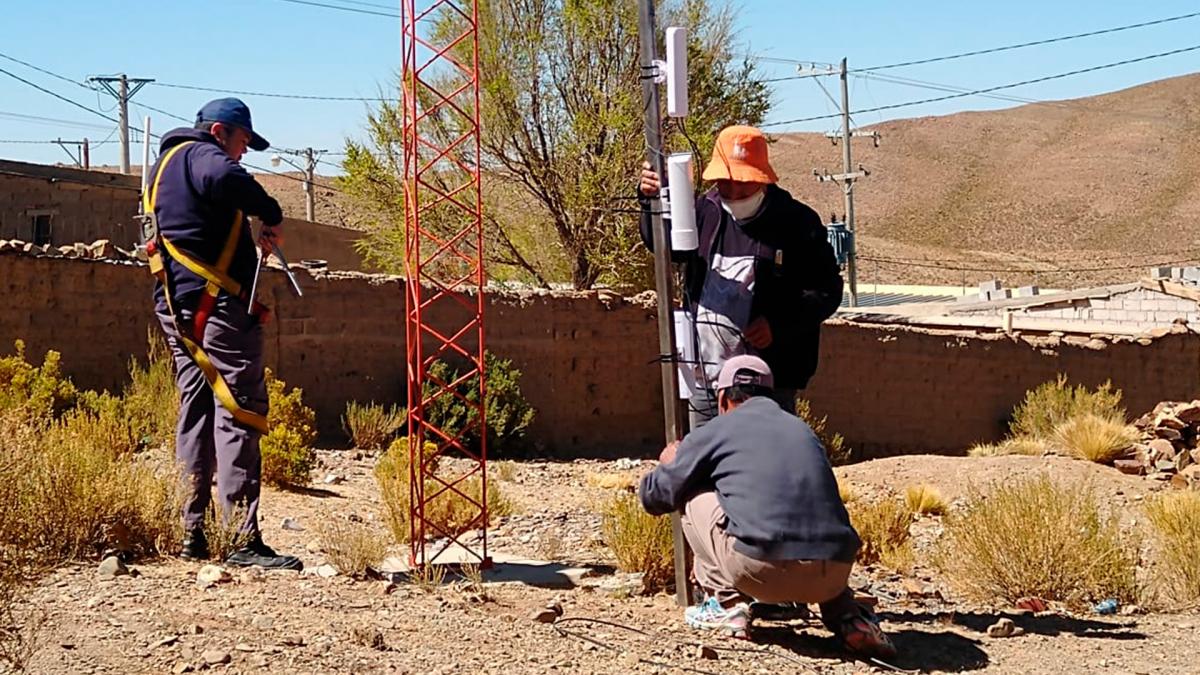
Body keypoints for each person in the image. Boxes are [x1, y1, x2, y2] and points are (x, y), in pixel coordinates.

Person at [638, 355, 894, 658]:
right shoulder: (802, 430)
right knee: (806, 511)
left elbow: (656, 497)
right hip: (835, 574)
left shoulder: (717, 429)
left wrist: (671, 464)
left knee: (690, 493)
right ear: (770, 396)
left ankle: (726, 606)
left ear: (722, 399)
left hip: (762, 572)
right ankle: (848, 617)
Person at [144, 98, 301, 570]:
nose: (244, 153)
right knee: (241, 409)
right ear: (219, 131)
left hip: (178, 307)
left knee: (195, 408)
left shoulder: (163, 167)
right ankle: (240, 540)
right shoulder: (200, 155)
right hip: (218, 311)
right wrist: (269, 213)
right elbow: (227, 178)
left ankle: (191, 531)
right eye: (242, 142)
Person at [638, 125, 843, 428]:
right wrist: (650, 202)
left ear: (762, 178)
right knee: (709, 463)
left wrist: (778, 324)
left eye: (743, 184)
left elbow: (826, 290)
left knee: (766, 465)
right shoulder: (703, 211)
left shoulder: (796, 222)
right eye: (725, 183)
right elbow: (666, 247)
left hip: (769, 381)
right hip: (707, 376)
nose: (733, 192)